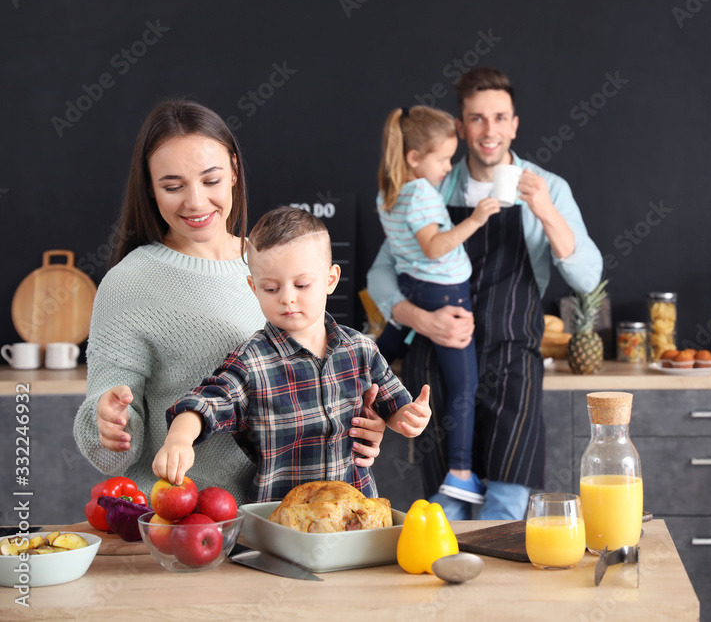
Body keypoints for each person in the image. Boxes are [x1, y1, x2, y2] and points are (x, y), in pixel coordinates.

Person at [73, 100, 386, 504]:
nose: (196, 202)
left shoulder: (278, 265)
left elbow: (319, 382)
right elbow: (110, 452)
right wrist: (109, 427)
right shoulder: (129, 284)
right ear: (150, 188)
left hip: (294, 517)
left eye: (210, 180)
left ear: (234, 171)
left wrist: (357, 429)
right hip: (191, 521)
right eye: (172, 186)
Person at [367, 68, 603, 520]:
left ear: (514, 124)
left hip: (512, 366)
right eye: (476, 118)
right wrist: (417, 318)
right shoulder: (433, 186)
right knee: (445, 515)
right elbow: (381, 272)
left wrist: (546, 212)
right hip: (441, 366)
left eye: (499, 117)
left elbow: (588, 278)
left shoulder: (549, 188)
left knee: (504, 512)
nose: (489, 130)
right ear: (460, 126)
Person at [153, 207, 430, 502]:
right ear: (254, 287)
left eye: (301, 285)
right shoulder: (251, 362)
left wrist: (410, 418)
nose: (287, 297)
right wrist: (179, 439)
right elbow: (205, 402)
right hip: (282, 522)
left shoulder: (361, 349)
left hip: (354, 511)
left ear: (330, 279)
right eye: (271, 288)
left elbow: (394, 406)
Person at [374, 106, 500, 505]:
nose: (448, 166)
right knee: (464, 383)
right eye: (443, 158)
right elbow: (434, 246)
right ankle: (461, 472)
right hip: (443, 291)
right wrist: (477, 219)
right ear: (414, 158)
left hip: (417, 289)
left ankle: (359, 365)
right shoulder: (421, 193)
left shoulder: (389, 191)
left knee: (392, 341)